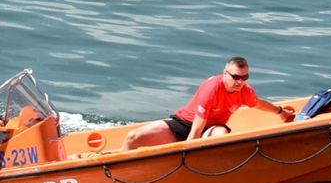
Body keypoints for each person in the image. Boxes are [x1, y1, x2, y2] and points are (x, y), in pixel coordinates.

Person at [121, 56, 294, 151]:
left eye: (244, 77)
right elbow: (196, 127)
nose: (239, 82)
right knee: (133, 137)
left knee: (221, 136)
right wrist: (183, 155)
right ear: (225, 73)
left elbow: (258, 104)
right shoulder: (211, 88)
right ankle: (118, 174)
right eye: (235, 77)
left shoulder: (245, 90)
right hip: (184, 124)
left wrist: (280, 112)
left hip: (211, 129)